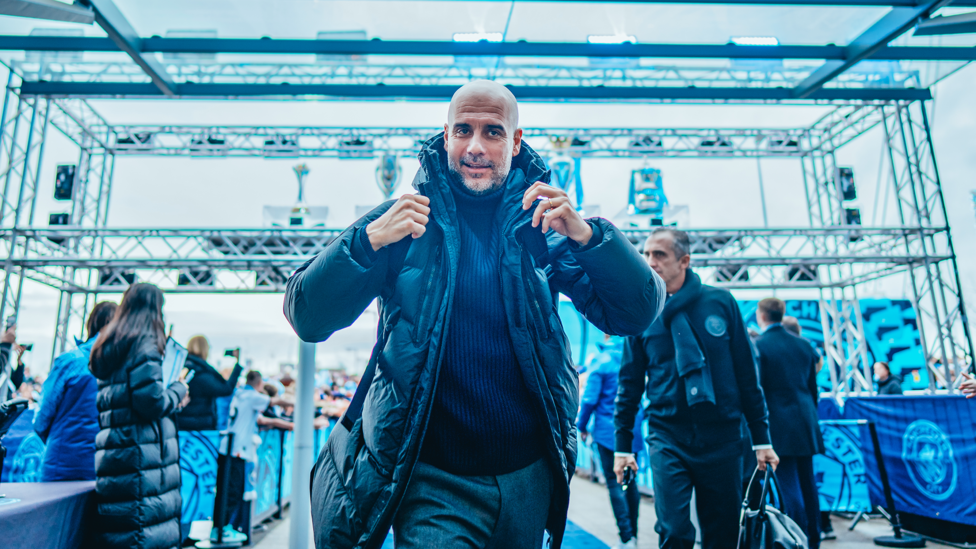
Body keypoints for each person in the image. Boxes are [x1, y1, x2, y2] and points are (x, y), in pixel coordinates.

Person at [285, 79, 665, 549]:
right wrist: (366, 242)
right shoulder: (403, 221)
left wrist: (590, 237)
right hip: (431, 480)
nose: (476, 146)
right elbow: (307, 315)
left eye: (493, 132)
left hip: (528, 479)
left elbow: (635, 313)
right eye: (463, 129)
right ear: (445, 136)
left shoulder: (545, 225)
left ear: (516, 140)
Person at [614, 228, 777, 549]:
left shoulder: (720, 302)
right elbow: (629, 384)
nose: (650, 261)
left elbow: (747, 376)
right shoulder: (642, 309)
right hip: (667, 436)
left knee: (723, 533)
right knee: (674, 530)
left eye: (659, 254)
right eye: (646, 254)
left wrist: (762, 439)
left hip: (723, 438)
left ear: (684, 260)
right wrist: (623, 448)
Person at [89, 283, 190, 549]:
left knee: (124, 533)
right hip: (141, 458)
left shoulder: (111, 344)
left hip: (116, 453)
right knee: (144, 533)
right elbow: (151, 403)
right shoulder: (145, 344)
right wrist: (179, 389)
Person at [755, 298, 824, 548]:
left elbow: (757, 391)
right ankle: (813, 538)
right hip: (806, 422)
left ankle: (797, 539)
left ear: (761, 316)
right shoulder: (804, 345)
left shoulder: (760, 346)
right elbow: (812, 388)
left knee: (788, 486)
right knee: (808, 485)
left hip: (778, 424)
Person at [33, 301, 117, 481]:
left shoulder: (70, 361)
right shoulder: (124, 367)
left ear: (92, 323)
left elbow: (43, 414)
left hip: (62, 461)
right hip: (107, 465)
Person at [577, 335, 645, 549]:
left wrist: (581, 426)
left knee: (614, 482)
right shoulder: (637, 355)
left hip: (608, 433)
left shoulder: (601, 361)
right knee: (630, 483)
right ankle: (633, 535)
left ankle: (625, 538)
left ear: (606, 335)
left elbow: (589, 399)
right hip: (632, 430)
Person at [212, 370, 292, 544]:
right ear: (259, 382)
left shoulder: (238, 393)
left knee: (224, 491)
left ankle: (218, 528)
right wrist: (300, 404)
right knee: (233, 491)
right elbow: (274, 401)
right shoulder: (252, 396)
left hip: (226, 446)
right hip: (239, 450)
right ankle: (224, 529)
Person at [177, 335, 243, 431]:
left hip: (182, 423)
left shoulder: (184, 368)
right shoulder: (201, 373)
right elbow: (226, 389)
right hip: (198, 427)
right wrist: (237, 366)